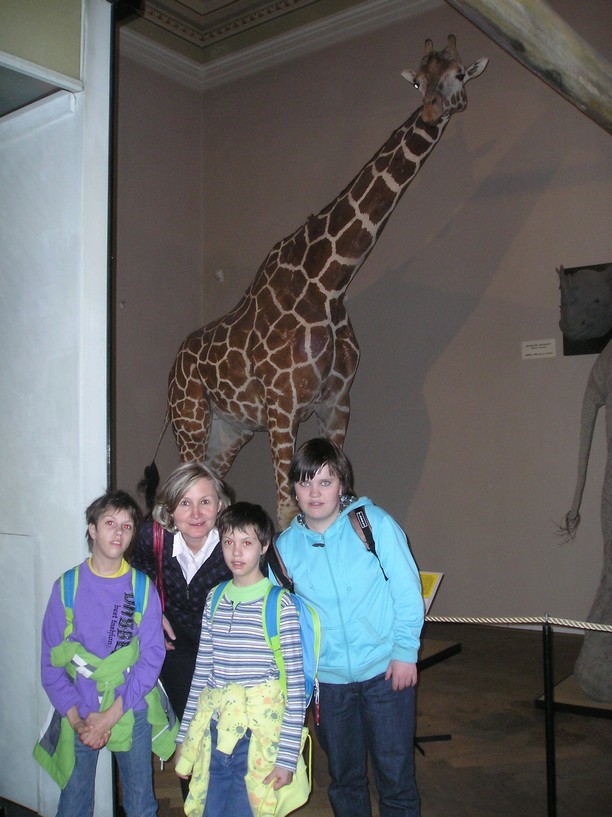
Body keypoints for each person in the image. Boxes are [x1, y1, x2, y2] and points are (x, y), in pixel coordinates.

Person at [275, 437, 424, 817]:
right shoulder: (283, 549)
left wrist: (405, 652)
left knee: (396, 777)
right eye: (305, 483)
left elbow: (407, 591)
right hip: (328, 687)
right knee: (344, 780)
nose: (314, 493)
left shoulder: (373, 524)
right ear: (293, 488)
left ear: (341, 483)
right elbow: (279, 621)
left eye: (325, 482)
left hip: (386, 673)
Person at [37, 489, 167, 817]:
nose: (118, 532)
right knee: (74, 803)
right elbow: (50, 665)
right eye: (110, 523)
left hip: (131, 706)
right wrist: (78, 721)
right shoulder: (66, 587)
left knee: (141, 803)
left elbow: (151, 658)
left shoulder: (142, 588)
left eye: (127, 526)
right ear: (92, 529)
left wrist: (110, 716)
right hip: (78, 708)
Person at [174, 502, 306, 817]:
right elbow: (202, 673)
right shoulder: (215, 598)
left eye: (247, 542)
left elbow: (295, 687)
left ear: (264, 545)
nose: (236, 552)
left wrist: (287, 758)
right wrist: (184, 737)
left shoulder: (281, 604)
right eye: (228, 541)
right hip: (214, 730)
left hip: (256, 738)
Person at [130, 462, 232, 793]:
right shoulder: (152, 537)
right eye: (185, 503)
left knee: (228, 734)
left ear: (220, 505)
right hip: (177, 647)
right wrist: (150, 614)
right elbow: (134, 577)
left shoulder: (233, 540)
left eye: (205, 501)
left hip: (225, 648)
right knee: (192, 731)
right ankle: (194, 803)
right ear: (170, 509)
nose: (196, 513)